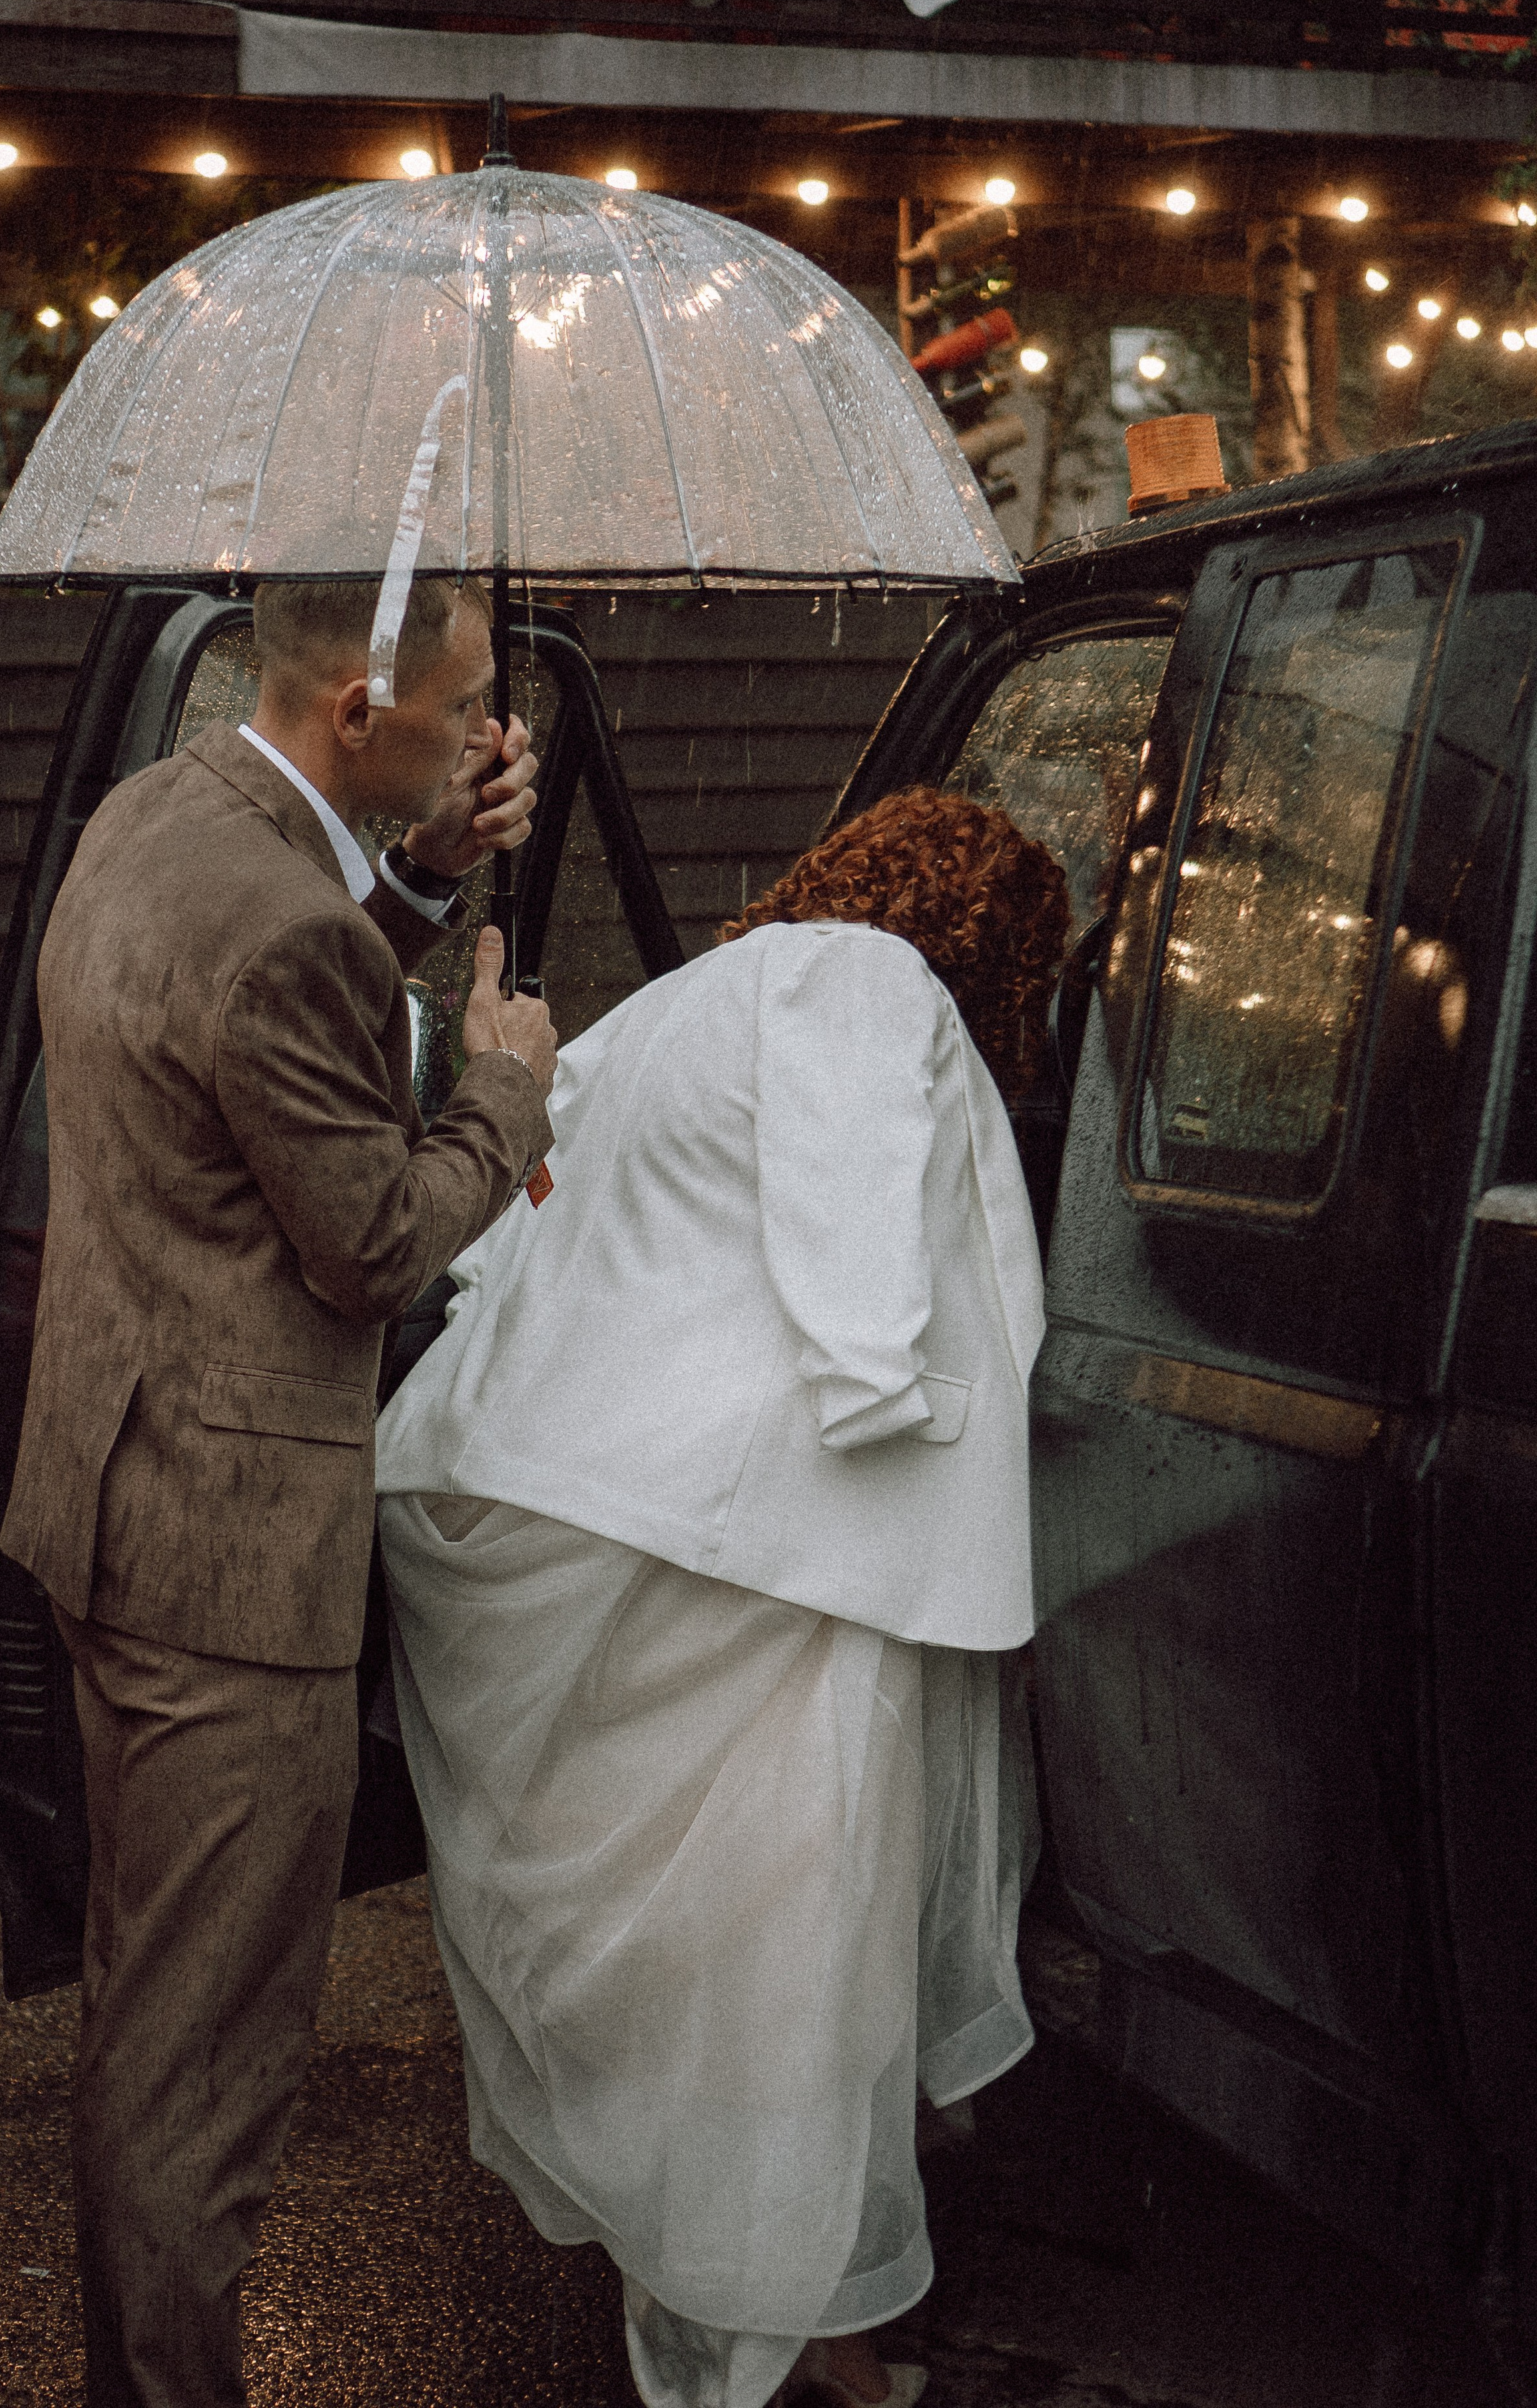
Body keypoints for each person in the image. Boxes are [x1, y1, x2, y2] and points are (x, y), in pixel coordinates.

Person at [376, 786, 1072, 2408]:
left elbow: (505, 1246)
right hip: (749, 1552)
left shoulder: (688, 998)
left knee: (705, 1980)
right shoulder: (862, 983)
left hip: (575, 1525)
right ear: (987, 938)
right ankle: (794, 2345)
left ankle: (771, 2320)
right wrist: (894, 1404)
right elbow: (853, 1268)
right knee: (790, 1978)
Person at [0, 573, 559, 2408]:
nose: (488, 737)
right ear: (350, 712)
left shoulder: (160, 813)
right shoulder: (281, 931)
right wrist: (501, 1095)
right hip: (232, 1571)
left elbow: (264, 1034)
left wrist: (424, 871)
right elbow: (376, 1243)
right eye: (463, 708)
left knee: (143, 2005)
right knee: (204, 2069)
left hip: (107, 1491)